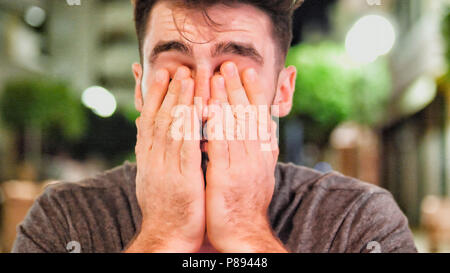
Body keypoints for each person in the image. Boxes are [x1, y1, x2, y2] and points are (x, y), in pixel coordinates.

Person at [12, 0, 417, 253]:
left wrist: (244, 227)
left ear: (282, 89)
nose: (205, 98)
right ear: (139, 87)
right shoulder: (64, 220)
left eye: (231, 70)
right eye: (177, 69)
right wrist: (163, 235)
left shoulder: (357, 222)